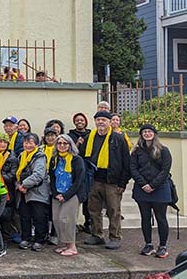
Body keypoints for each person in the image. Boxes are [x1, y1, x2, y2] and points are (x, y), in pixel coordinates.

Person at [82, 111, 131, 250]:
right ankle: (97, 235)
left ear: (109, 122)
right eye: (98, 120)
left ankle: (115, 237)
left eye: (104, 120)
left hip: (112, 181)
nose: (101, 122)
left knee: (113, 210)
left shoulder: (118, 138)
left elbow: (126, 162)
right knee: (94, 210)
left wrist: (123, 183)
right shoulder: (89, 137)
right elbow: (82, 156)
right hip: (94, 179)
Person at [130, 124, 172, 259]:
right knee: (145, 217)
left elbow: (165, 170)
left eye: (149, 131)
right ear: (141, 135)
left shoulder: (163, 150)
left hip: (160, 189)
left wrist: (153, 185)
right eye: (144, 132)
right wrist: (143, 184)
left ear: (154, 134)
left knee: (161, 218)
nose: (147, 134)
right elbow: (133, 169)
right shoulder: (136, 152)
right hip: (142, 189)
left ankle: (163, 246)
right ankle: (148, 244)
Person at [49, 134, 85, 257]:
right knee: (56, 219)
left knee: (67, 219)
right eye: (59, 143)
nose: (62, 146)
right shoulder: (54, 159)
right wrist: (55, 193)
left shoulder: (77, 160)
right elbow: (52, 177)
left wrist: (66, 195)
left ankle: (72, 246)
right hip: (57, 193)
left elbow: (79, 180)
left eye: (65, 143)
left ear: (70, 145)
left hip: (72, 194)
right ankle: (63, 243)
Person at [16, 133, 50, 252]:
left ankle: (39, 240)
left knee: (39, 216)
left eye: (31, 142)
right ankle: (26, 238)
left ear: (36, 144)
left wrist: (24, 184)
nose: (28, 145)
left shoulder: (40, 156)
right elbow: (17, 174)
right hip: (23, 192)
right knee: (24, 216)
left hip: (37, 192)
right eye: (26, 142)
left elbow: (38, 175)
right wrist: (19, 185)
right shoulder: (22, 156)